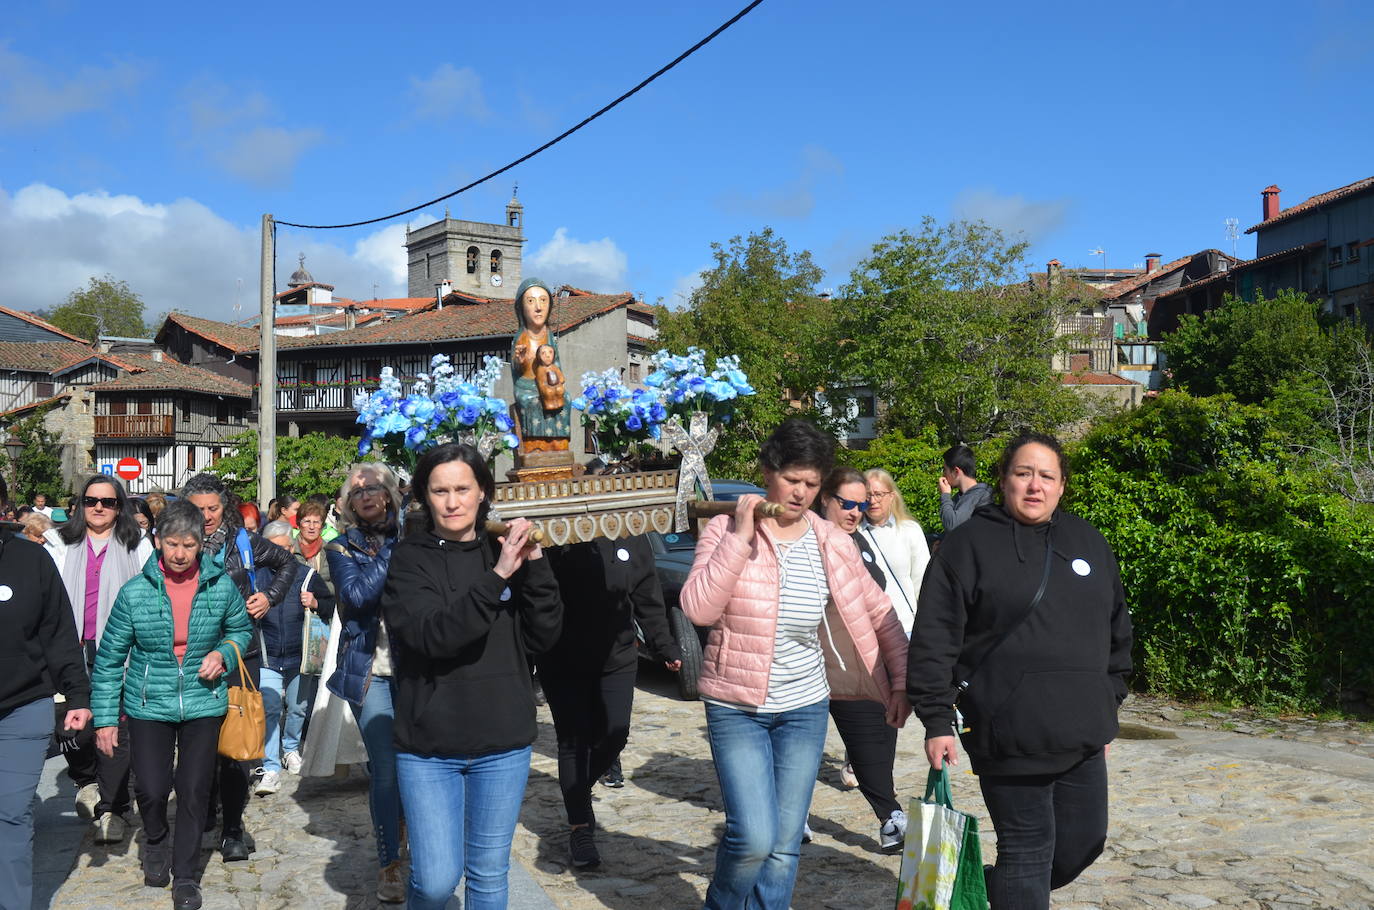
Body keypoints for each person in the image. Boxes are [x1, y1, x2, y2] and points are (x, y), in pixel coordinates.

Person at [680, 419, 910, 910]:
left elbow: (880, 613)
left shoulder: (831, 541)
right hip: (735, 706)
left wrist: (902, 683)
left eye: (811, 484)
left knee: (784, 848)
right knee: (752, 839)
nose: (801, 493)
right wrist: (741, 537)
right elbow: (698, 608)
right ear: (767, 472)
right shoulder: (723, 529)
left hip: (803, 708)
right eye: (792, 480)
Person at [908, 432, 1133, 909]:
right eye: (1023, 473)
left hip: (1082, 735)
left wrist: (1105, 700)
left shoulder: (1088, 542)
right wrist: (935, 718)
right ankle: (1012, 890)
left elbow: (1117, 630)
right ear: (1003, 481)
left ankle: (986, 891)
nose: (1035, 486)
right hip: (1005, 732)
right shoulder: (967, 545)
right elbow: (935, 635)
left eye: (1046, 476)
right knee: (1028, 853)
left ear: (1062, 485)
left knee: (1081, 845)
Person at [381, 443, 562, 909]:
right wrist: (499, 575)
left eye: (463, 488)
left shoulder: (506, 548)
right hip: (429, 748)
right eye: (440, 490)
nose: (453, 501)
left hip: (502, 742)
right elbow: (434, 636)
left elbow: (543, 636)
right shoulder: (408, 560)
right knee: (436, 881)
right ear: (424, 495)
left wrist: (536, 567)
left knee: (487, 874)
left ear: (483, 491)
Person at [91, 499, 252, 910]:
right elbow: (108, 660)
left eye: (189, 545)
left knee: (195, 789)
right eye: (172, 544)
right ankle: (157, 840)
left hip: (203, 701)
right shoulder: (135, 593)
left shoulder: (219, 584)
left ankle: (185, 876)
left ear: (202, 544)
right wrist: (106, 720)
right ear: (157, 540)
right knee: (151, 787)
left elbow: (240, 629)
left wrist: (225, 654)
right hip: (149, 704)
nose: (180, 554)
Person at [539, 534, 681, 869]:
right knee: (573, 741)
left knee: (615, 732)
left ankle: (578, 787)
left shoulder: (630, 535)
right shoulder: (555, 536)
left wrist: (664, 645)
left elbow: (647, 595)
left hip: (617, 653)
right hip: (562, 655)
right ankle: (580, 827)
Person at [181, 473, 295, 862]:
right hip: (190, 656)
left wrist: (269, 597)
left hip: (237, 654)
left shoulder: (241, 541)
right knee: (199, 746)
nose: (207, 516)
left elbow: (287, 563)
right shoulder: (174, 544)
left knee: (233, 747)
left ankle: (231, 828)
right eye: (199, 510)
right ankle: (206, 812)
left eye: (213, 508)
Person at [42, 475, 155, 843]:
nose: (99, 508)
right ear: (81, 504)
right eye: (92, 501)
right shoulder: (59, 543)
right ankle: (86, 780)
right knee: (73, 727)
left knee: (115, 728)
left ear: (119, 506)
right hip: (69, 648)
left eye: (108, 502)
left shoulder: (137, 545)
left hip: (120, 650)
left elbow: (153, 594)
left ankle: (114, 808)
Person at [322, 462, 407, 903]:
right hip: (370, 670)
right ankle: (389, 862)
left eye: (375, 487)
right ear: (349, 504)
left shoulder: (418, 538)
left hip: (416, 671)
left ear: (391, 493)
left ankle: (411, 834)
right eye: (358, 492)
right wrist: (395, 549)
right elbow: (355, 598)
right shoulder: (340, 549)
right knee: (387, 768)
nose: (367, 495)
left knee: (419, 765)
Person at [814, 466, 908, 852]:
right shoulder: (810, 541)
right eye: (846, 504)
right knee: (797, 750)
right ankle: (793, 817)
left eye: (860, 504)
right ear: (825, 500)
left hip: (865, 662)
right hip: (818, 664)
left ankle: (889, 818)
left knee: (877, 739)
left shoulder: (859, 540)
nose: (855, 512)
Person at [0, 516, 91, 910]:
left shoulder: (30, 560)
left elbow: (58, 632)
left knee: (11, 813)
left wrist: (78, 696)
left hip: (23, 705)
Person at [254, 520, 334, 794]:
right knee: (271, 708)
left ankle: (291, 748)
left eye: (285, 549)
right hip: (267, 654)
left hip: (300, 655)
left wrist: (316, 602)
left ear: (292, 548)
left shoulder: (307, 575)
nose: (279, 555)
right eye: (273, 550)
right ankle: (271, 764)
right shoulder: (256, 576)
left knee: (299, 707)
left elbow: (331, 606)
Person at [861, 468, 929, 636]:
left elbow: (923, 582)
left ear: (891, 496)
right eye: (867, 495)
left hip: (907, 625)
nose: (873, 501)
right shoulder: (853, 534)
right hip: (868, 630)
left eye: (878, 494)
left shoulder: (910, 530)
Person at [510, 277, 571, 447]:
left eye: (543, 301)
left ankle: (560, 444)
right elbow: (516, 370)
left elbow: (557, 363)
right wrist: (520, 361)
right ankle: (535, 446)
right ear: (521, 308)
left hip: (549, 382)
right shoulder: (521, 337)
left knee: (566, 398)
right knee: (531, 401)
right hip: (527, 386)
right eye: (531, 301)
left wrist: (557, 382)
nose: (538, 307)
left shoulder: (549, 336)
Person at [938, 443, 994, 533]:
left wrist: (945, 495)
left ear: (956, 471)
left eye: (945, 470)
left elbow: (952, 525)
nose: (943, 475)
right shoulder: (959, 497)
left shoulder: (981, 494)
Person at [535, 343, 566, 412]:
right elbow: (541, 382)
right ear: (539, 356)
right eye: (543, 353)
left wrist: (560, 382)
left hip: (557, 384)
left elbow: (561, 377)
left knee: (560, 390)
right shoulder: (540, 369)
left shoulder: (554, 367)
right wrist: (546, 386)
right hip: (547, 386)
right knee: (549, 392)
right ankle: (549, 404)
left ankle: (560, 402)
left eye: (550, 352)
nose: (548, 356)